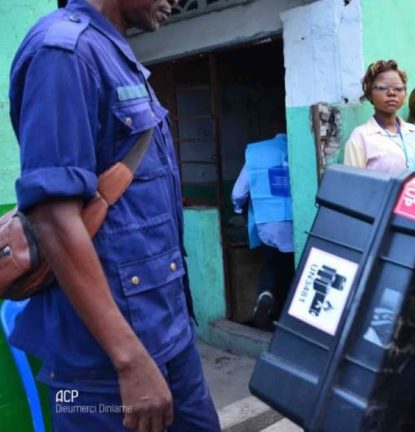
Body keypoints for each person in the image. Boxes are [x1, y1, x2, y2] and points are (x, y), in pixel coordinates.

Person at [8, 0, 220, 431]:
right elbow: (53, 217)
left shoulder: (114, 55)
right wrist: (129, 360)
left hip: (168, 337)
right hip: (101, 371)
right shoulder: (62, 53)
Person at [231, 134, 296, 330]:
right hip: (296, 220)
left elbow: (238, 193)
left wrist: (238, 208)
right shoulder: (297, 149)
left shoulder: (256, 153)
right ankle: (285, 317)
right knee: (290, 268)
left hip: (267, 221)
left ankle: (266, 294)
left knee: (271, 264)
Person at [343, 60, 415, 180]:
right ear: (370, 94)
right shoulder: (361, 137)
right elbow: (353, 184)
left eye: (398, 89)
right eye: (382, 88)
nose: (391, 93)